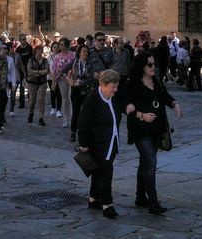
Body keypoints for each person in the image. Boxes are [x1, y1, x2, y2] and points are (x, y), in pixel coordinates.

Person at [125, 52, 182, 215]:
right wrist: (141, 115)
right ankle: (153, 202)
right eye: (149, 64)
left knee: (145, 162)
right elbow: (124, 104)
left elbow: (164, 95)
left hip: (157, 128)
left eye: (154, 64)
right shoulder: (133, 84)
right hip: (140, 129)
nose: (153, 67)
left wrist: (174, 103)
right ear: (141, 66)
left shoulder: (155, 81)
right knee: (150, 162)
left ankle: (140, 196)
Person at [77, 70, 124, 219]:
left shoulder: (113, 98)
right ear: (103, 85)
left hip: (111, 141)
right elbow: (83, 122)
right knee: (106, 171)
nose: (115, 89)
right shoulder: (92, 99)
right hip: (98, 142)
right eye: (113, 86)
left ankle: (93, 198)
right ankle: (107, 204)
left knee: (99, 170)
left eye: (116, 86)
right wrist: (83, 143)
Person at [69, 45, 96, 143]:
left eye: (87, 51)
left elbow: (91, 79)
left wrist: (82, 82)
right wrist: (71, 81)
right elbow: (69, 74)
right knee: (76, 112)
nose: (85, 53)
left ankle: (83, 132)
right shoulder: (75, 63)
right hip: (76, 90)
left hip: (86, 90)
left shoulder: (90, 64)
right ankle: (73, 131)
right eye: (83, 51)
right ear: (79, 53)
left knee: (85, 112)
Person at [51, 38, 76, 127]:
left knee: (71, 98)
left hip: (72, 79)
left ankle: (74, 117)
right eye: (59, 44)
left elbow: (76, 66)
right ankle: (66, 119)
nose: (60, 46)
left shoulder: (74, 55)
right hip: (61, 79)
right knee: (65, 99)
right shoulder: (57, 57)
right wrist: (54, 82)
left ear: (66, 45)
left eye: (62, 44)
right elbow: (54, 70)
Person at [26, 44, 50, 126]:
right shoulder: (31, 60)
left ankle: (41, 118)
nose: (39, 53)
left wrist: (36, 72)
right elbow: (29, 70)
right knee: (32, 100)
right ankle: (31, 113)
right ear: (35, 52)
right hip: (32, 82)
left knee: (41, 100)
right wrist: (40, 72)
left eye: (41, 51)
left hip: (42, 82)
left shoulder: (45, 60)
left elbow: (47, 70)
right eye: (38, 51)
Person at [7, 45, 24, 117]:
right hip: (7, 77)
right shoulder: (6, 56)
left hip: (16, 76)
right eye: (11, 48)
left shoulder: (17, 55)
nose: (13, 49)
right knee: (5, 95)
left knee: (13, 94)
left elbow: (21, 65)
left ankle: (11, 110)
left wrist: (24, 73)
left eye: (14, 48)